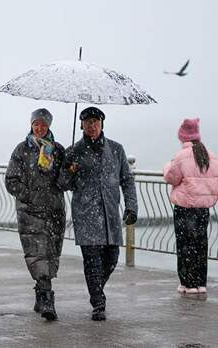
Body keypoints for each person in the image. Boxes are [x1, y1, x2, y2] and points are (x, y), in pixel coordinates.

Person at [58, 106, 137, 321]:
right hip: (86, 213)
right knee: (92, 260)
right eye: (88, 122)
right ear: (81, 125)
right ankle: (98, 303)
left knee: (111, 258)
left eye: (96, 122)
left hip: (110, 213)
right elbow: (62, 184)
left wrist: (131, 207)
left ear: (102, 124)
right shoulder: (73, 151)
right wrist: (69, 170)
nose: (92, 126)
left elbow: (127, 181)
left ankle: (95, 287)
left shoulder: (116, 149)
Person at [5, 108, 66, 321]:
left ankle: (41, 293)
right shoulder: (22, 150)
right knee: (37, 253)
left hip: (54, 212)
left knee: (51, 254)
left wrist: (70, 171)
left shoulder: (58, 150)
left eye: (43, 124)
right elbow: (11, 181)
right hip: (30, 212)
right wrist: (30, 196)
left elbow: (65, 182)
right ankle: (48, 298)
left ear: (49, 126)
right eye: (36, 124)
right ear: (31, 125)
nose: (39, 128)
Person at [163, 118, 218, 295]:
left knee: (185, 245)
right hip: (203, 208)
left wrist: (166, 167)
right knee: (200, 243)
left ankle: (187, 284)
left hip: (185, 207)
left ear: (182, 136)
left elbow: (172, 178)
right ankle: (200, 283)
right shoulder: (209, 155)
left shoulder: (181, 156)